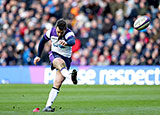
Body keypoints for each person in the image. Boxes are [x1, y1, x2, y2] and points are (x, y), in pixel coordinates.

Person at [34, 18, 78, 112]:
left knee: (57, 83)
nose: (59, 34)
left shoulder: (69, 33)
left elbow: (72, 41)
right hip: (54, 54)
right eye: (58, 31)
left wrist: (66, 42)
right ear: (56, 28)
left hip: (66, 58)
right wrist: (38, 55)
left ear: (65, 29)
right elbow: (42, 42)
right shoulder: (51, 32)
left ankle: (47, 106)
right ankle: (70, 76)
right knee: (58, 61)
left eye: (61, 32)